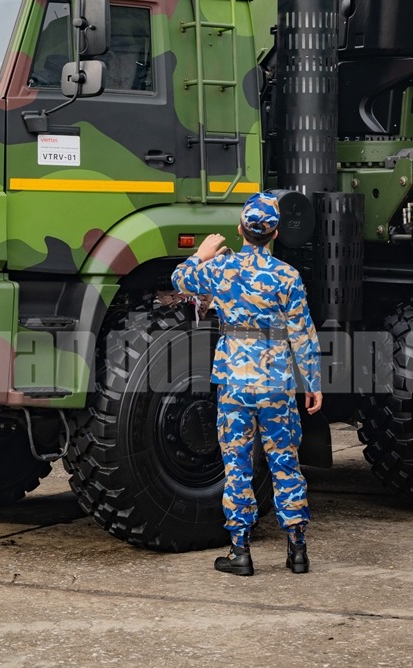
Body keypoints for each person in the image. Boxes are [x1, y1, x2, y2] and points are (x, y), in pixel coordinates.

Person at [171, 191, 322, 577]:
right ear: (274, 235)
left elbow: (180, 279)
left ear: (241, 230)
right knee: (285, 464)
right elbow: (302, 334)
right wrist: (313, 383)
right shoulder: (287, 276)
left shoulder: (220, 270)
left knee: (237, 468)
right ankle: (298, 551)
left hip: (235, 386)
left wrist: (201, 253)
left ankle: (240, 553)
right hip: (277, 385)